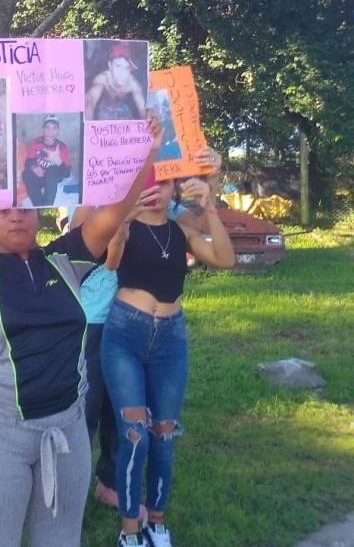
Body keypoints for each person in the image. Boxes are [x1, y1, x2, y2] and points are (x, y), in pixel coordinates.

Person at [0, 113, 163, 547]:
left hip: (65, 430)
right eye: (4, 211)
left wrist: (147, 152)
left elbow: (119, 205)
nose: (16, 217)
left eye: (25, 208)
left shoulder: (66, 259)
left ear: (39, 215)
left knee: (61, 541)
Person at [71, 147, 224, 520]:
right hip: (92, 315)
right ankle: (69, 490)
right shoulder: (105, 195)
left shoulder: (159, 202)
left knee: (120, 413)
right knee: (85, 409)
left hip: (138, 322)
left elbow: (200, 226)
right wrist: (102, 181)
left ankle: (109, 482)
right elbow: (78, 232)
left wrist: (213, 180)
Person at [101, 165, 234, 547]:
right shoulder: (125, 225)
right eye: (148, 182)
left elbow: (225, 259)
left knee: (163, 434)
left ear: (174, 185)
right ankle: (129, 531)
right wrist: (123, 223)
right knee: (134, 435)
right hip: (125, 334)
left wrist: (209, 207)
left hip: (171, 340)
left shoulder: (180, 231)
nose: (155, 189)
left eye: (163, 181)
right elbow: (111, 262)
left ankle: (156, 522)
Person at [85, 45, 147, 121]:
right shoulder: (103, 79)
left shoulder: (133, 84)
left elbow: (142, 108)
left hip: (124, 110)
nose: (122, 73)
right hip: (104, 110)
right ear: (110, 65)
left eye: (126, 67)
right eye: (118, 66)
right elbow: (90, 100)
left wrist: (147, 123)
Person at [21, 116, 72, 206]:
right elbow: (28, 161)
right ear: (43, 130)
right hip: (39, 177)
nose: (50, 132)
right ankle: (39, 206)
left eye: (54, 128)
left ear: (58, 131)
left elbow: (67, 174)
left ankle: (47, 205)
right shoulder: (36, 143)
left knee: (52, 170)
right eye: (47, 128)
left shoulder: (62, 148)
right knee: (26, 174)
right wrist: (34, 167)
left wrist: (59, 162)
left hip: (53, 178)